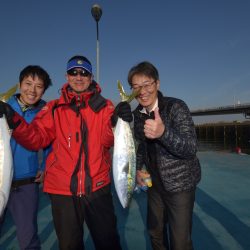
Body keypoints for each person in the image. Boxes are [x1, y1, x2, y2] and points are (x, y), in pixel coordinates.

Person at [0, 55, 131, 250]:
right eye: (74, 72)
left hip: (97, 187)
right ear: (66, 76)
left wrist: (116, 123)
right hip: (62, 191)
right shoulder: (53, 108)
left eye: (84, 73)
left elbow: (108, 140)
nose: (79, 77)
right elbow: (36, 138)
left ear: (91, 76)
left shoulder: (105, 106)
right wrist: (14, 120)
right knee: (69, 245)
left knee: (108, 243)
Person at [127, 61, 201, 250]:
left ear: (157, 84)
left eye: (147, 84)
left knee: (180, 242)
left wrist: (163, 133)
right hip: (154, 185)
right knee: (155, 233)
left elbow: (190, 147)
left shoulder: (175, 107)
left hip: (180, 186)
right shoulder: (138, 114)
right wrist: (138, 170)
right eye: (136, 87)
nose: (142, 91)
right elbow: (142, 148)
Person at [0, 65, 52, 250]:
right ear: (19, 84)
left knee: (28, 237)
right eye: (28, 83)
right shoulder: (5, 107)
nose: (32, 90)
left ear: (44, 90)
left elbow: (50, 145)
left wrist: (45, 167)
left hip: (25, 184)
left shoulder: (45, 113)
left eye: (39, 86)